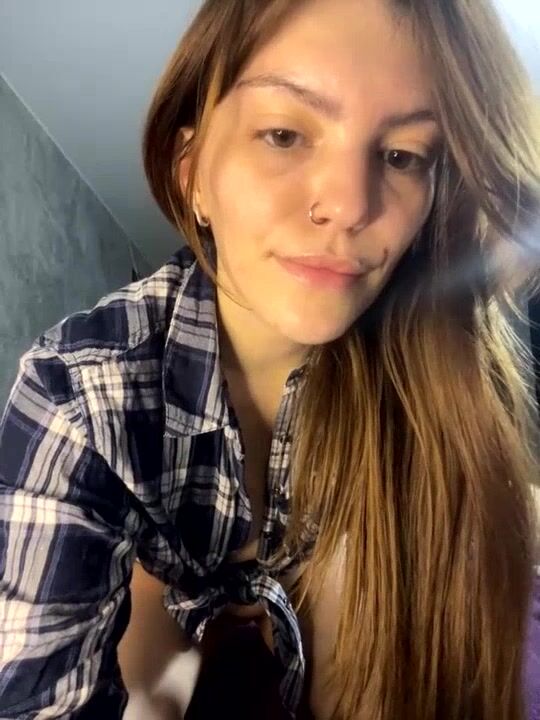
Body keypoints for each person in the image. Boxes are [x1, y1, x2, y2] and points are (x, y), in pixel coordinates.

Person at [1, 0, 539, 717]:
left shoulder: (435, 373)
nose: (349, 205)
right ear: (191, 173)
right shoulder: (79, 394)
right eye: (284, 134)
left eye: (403, 155)